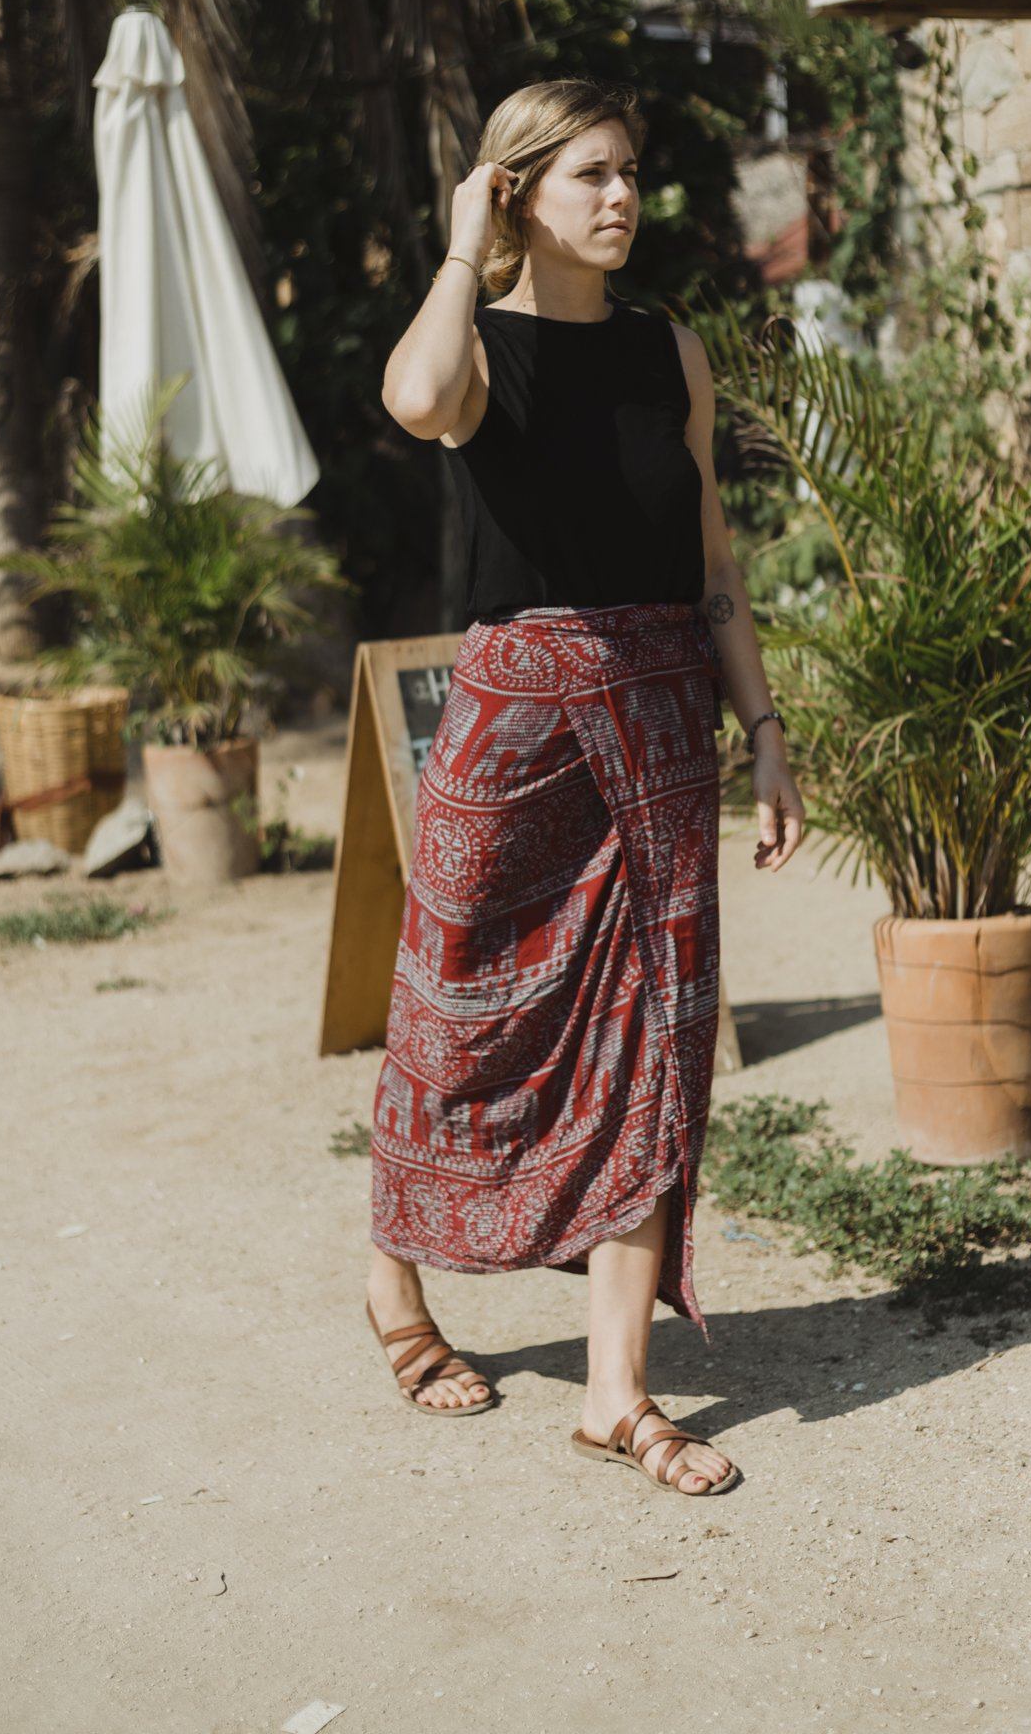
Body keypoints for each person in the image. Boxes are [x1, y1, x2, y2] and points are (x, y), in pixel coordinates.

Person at [366, 77, 805, 1495]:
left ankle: (617, 1393)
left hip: (664, 716)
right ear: (518, 191)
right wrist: (460, 246)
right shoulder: (478, 348)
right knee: (454, 1022)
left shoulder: (668, 349)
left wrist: (765, 726)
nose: (621, 197)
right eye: (589, 176)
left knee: (654, 1039)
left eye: (628, 172)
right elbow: (415, 400)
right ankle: (394, 1281)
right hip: (516, 726)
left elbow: (713, 555)